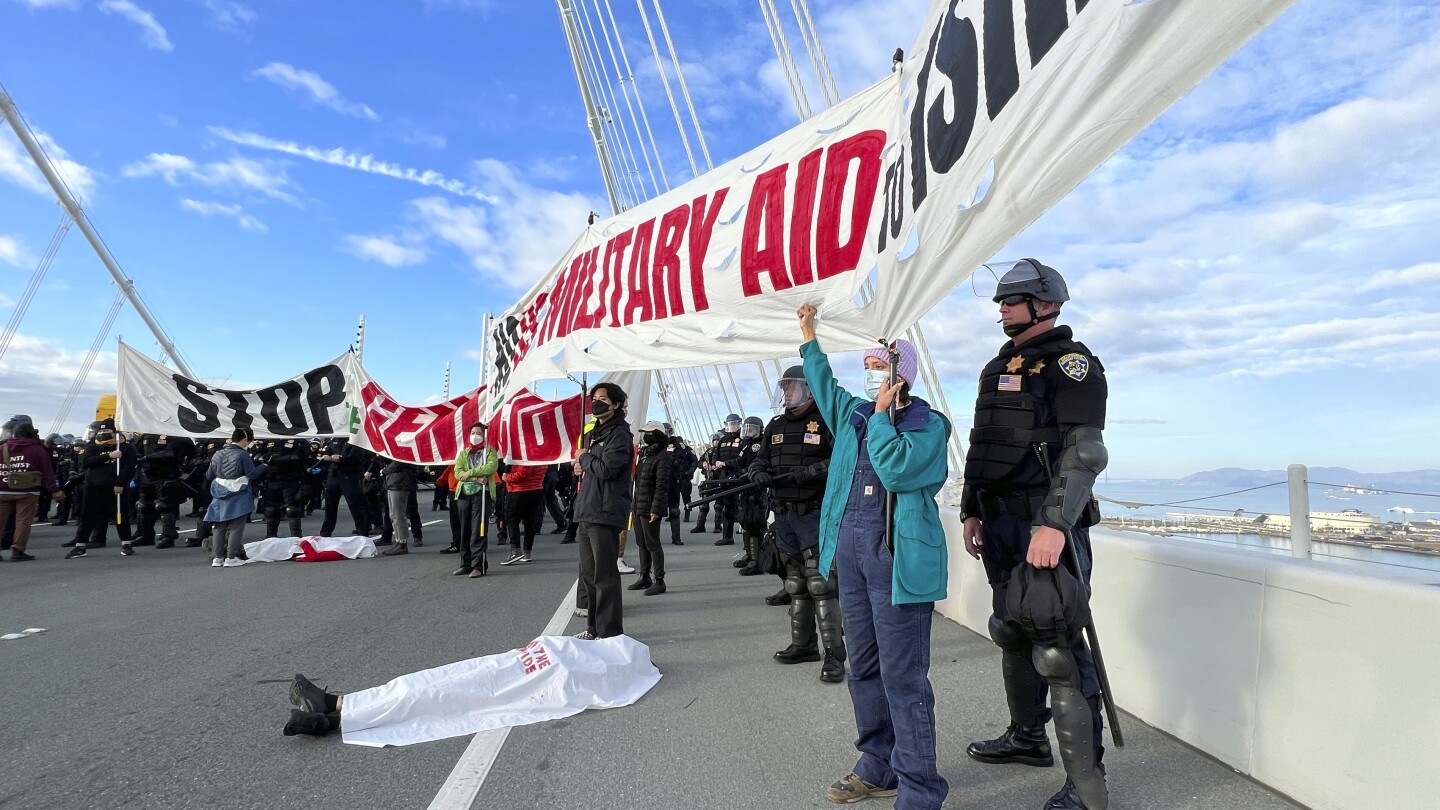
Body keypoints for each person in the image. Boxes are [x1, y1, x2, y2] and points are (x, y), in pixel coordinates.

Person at [959, 260, 1111, 810]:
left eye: (1011, 300)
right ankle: (1027, 738)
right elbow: (986, 445)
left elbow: (1085, 452)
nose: (1001, 308)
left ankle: (1088, 788)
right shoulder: (996, 366)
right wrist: (972, 507)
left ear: (1043, 304)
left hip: (1042, 521)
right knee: (1012, 630)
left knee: (1056, 644)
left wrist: (1052, 523)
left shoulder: (1072, 366)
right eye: (1001, 300)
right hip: (998, 521)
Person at [796, 305, 952, 809]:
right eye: (865, 365)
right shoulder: (855, 414)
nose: (869, 374)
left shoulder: (929, 424)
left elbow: (900, 472)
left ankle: (920, 788)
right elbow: (823, 385)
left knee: (903, 675)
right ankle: (876, 765)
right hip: (853, 556)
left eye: (878, 366)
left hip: (895, 561)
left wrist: (884, 418)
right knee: (862, 666)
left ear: (900, 375)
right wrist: (808, 337)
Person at [747, 365, 841, 681]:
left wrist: (813, 471)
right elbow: (760, 459)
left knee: (821, 584)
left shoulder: (827, 421)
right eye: (784, 387)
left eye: (792, 387)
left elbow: (844, 459)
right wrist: (757, 472)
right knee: (795, 584)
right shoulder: (775, 425)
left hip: (814, 513)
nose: (786, 392)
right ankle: (803, 646)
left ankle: (834, 656)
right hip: (784, 514)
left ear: (809, 388)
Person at [572, 382, 634, 640]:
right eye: (594, 398)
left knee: (604, 575)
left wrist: (585, 458)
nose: (597, 402)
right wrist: (579, 465)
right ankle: (593, 628)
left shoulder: (619, 435)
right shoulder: (594, 433)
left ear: (616, 404)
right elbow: (590, 466)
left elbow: (608, 469)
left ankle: (610, 632)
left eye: (603, 399)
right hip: (588, 508)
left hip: (605, 511)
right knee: (588, 574)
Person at [66, 419, 138, 558]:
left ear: (115, 432)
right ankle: (80, 546)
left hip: (114, 488)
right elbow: (86, 462)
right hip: (93, 487)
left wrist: (120, 483)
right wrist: (108, 456)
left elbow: (128, 468)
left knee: (120, 517)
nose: (103, 434)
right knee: (87, 516)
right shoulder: (93, 446)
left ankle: (126, 544)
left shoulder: (125, 448)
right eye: (101, 431)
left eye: (107, 431)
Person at [1, 422, 67, 560]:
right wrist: (55, 490)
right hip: (28, 491)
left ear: (14, 434)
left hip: (3, 489)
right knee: (23, 521)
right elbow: (47, 472)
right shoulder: (37, 450)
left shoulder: (3, 448)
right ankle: (17, 550)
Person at [204, 429, 268, 567]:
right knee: (235, 527)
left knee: (219, 526)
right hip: (239, 493)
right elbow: (251, 474)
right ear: (244, 440)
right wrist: (264, 465)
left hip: (219, 493)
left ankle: (217, 558)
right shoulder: (242, 454)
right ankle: (231, 557)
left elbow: (209, 475)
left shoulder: (217, 453)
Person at [628, 420, 673, 596]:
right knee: (641, 542)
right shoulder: (644, 454)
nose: (646, 436)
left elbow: (662, 486)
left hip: (650, 506)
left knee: (652, 542)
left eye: (649, 433)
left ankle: (659, 580)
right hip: (638, 503)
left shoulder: (663, 457)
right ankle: (644, 576)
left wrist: (655, 509)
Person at [134, 432, 196, 548]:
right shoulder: (147, 435)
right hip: (145, 475)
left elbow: (171, 453)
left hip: (165, 475)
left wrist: (147, 458)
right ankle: (146, 536)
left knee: (164, 506)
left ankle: (168, 536)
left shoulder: (173, 434)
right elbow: (137, 451)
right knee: (143, 506)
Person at [453, 423, 499, 577]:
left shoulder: (489, 451)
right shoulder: (464, 453)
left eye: (478, 433)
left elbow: (491, 467)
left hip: (482, 495)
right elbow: (457, 472)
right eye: (473, 432)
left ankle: (478, 566)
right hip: (464, 495)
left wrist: (470, 472)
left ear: (484, 435)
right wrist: (473, 476)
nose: (475, 435)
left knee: (478, 531)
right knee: (464, 529)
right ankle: (465, 563)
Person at [731, 416, 769, 573]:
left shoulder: (757, 446)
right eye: (746, 429)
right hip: (745, 488)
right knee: (745, 521)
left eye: (752, 429)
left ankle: (756, 560)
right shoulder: (746, 445)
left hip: (754, 490)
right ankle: (749, 553)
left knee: (753, 522)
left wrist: (745, 473)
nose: (748, 432)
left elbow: (754, 466)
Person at [258, 437, 313, 540]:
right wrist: (267, 458)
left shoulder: (298, 440)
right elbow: (257, 456)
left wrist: (274, 459)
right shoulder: (268, 440)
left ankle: (296, 537)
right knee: (271, 510)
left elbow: (298, 457)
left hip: (290, 479)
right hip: (272, 479)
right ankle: (271, 536)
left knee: (292, 509)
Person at [318, 437, 371, 538]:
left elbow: (355, 458)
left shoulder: (354, 440)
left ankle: (362, 532)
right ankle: (325, 532)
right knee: (330, 505)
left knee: (355, 504)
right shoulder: (335, 439)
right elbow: (327, 452)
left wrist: (339, 458)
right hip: (333, 475)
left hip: (349, 476)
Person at [501, 462, 545, 565]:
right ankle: (527, 551)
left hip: (519, 490)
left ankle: (515, 550)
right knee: (530, 522)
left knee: (512, 520)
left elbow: (523, 473)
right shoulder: (540, 454)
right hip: (536, 488)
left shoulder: (526, 453)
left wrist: (507, 477)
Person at [379, 459, 419, 556]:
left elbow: (398, 463)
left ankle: (402, 543)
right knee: (393, 515)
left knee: (398, 515)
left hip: (401, 482)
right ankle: (399, 541)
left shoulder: (403, 451)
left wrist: (385, 470)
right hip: (395, 482)